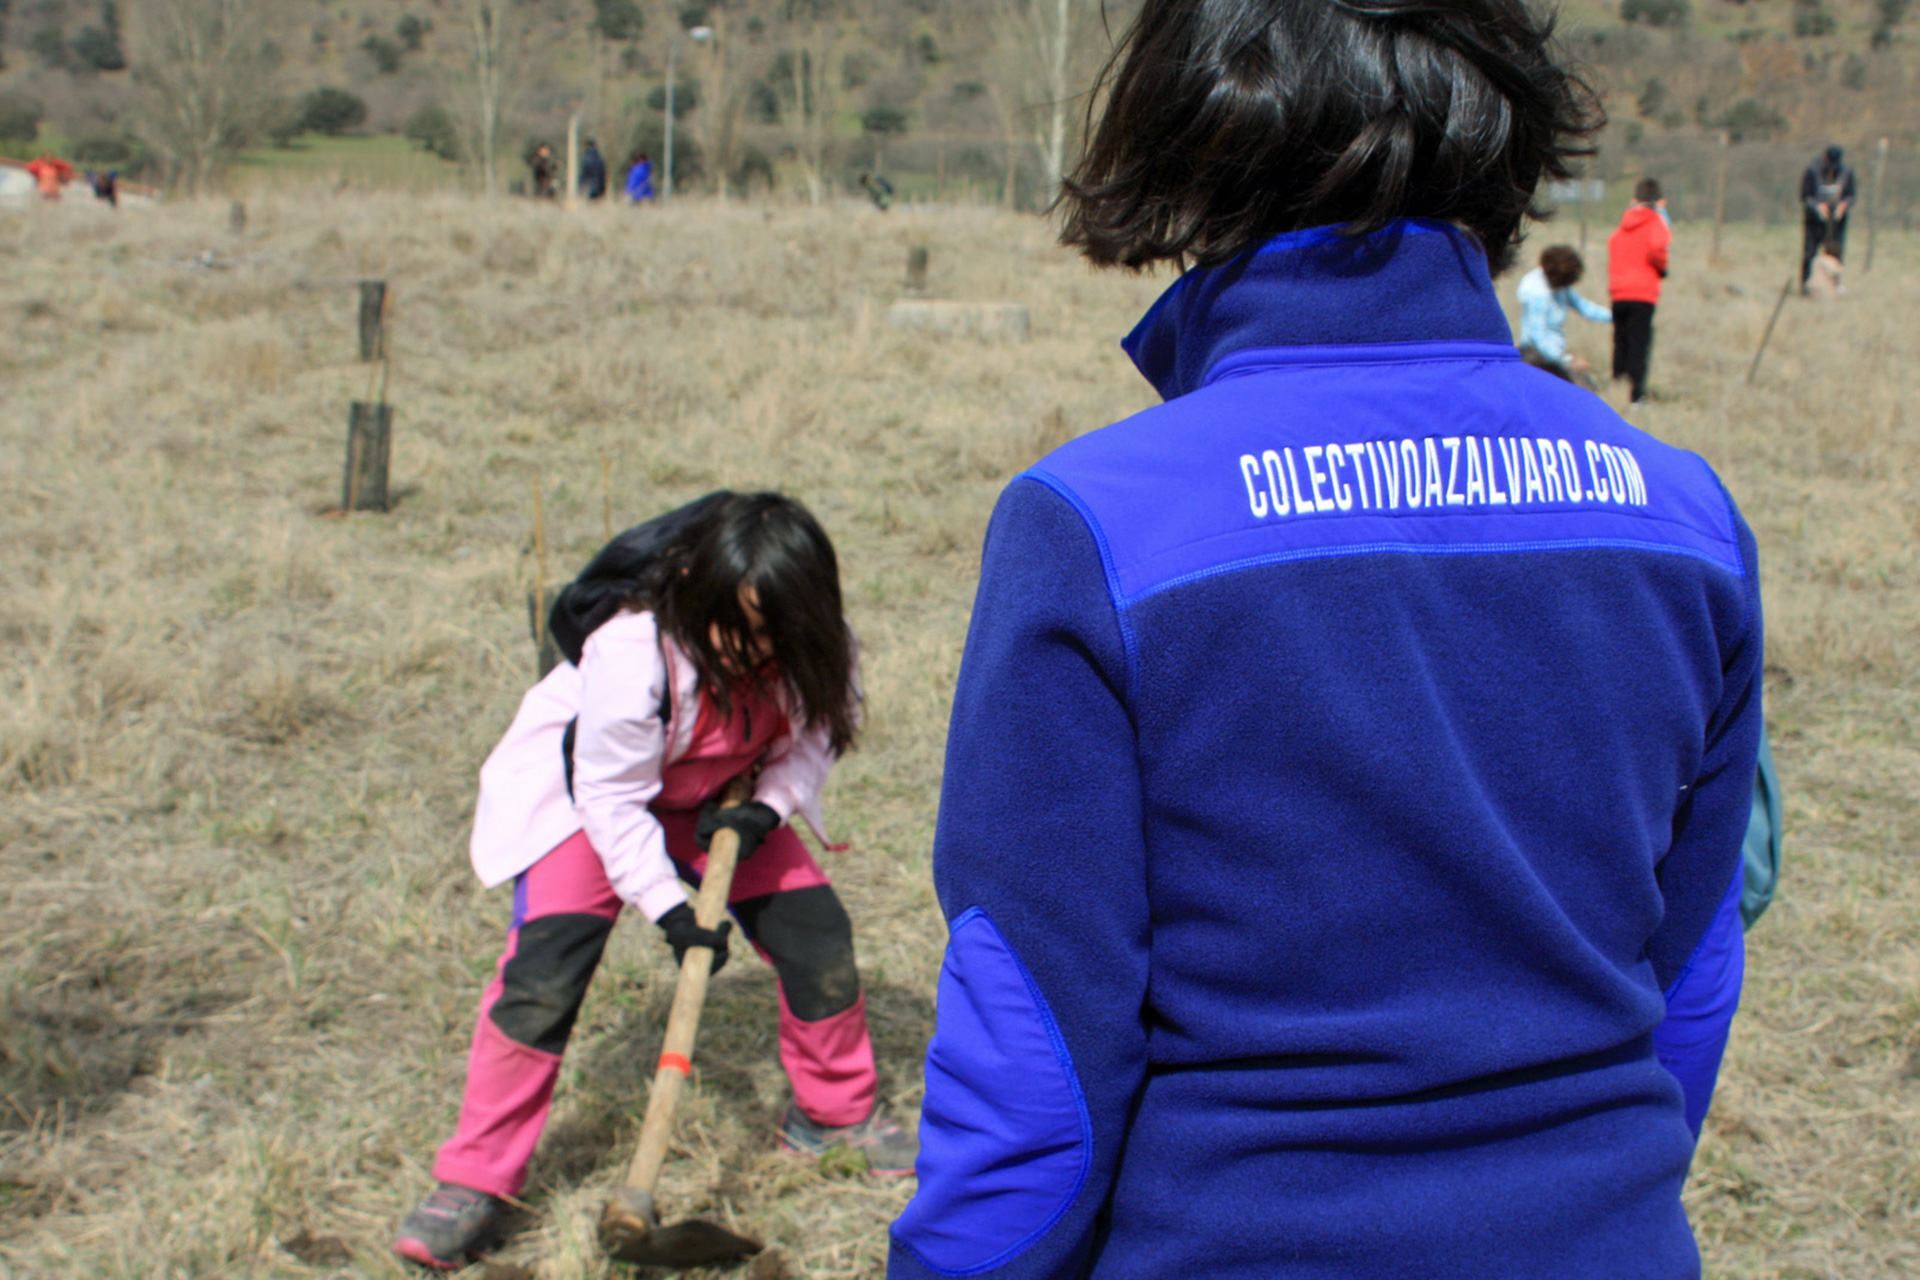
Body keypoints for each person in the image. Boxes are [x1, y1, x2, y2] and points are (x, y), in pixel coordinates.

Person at [888, 0, 1758, 1277]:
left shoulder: (1097, 527)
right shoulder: (1686, 518)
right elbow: (1690, 977)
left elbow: (1038, 1062)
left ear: (1193, 138)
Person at [396, 492, 915, 1271]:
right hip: (589, 800)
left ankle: (833, 1117)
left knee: (819, 939)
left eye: (770, 633)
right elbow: (607, 797)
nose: (746, 650)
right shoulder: (634, 651)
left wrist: (766, 811)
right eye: (730, 626)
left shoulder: (817, 645)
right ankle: (473, 1180)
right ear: (692, 587)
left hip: (720, 802)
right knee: (544, 971)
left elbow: (815, 738)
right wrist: (673, 912)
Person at [1608, 178, 1670, 404]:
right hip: (1642, 293)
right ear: (1658, 200)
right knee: (1638, 345)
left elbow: (1613, 245)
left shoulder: (1624, 222)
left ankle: (1615, 389)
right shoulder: (1656, 221)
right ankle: (1636, 397)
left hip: (1618, 292)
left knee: (1620, 343)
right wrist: (1662, 269)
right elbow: (1657, 248)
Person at [1516, 244, 1610, 381]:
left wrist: (1617, 316)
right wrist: (1568, 361)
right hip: (1535, 358)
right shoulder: (1538, 295)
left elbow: (1586, 308)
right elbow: (1538, 338)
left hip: (1554, 356)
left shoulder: (1561, 288)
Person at [1800, 145, 1855, 294]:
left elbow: (1850, 195)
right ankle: (1806, 287)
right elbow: (1805, 196)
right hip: (1814, 222)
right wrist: (1818, 206)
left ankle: (1833, 287)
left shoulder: (1846, 172)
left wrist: (1843, 205)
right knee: (1810, 254)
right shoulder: (1812, 171)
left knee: (1835, 255)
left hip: (1837, 222)